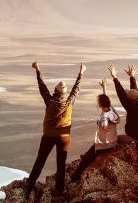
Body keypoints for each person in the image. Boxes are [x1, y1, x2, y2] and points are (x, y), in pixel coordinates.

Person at [25, 61, 85, 198]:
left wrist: (37, 70)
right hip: (64, 137)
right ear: (64, 92)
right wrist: (81, 73)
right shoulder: (69, 102)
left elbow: (42, 87)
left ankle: (30, 183)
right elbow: (76, 89)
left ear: (56, 91)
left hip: (48, 135)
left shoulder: (50, 101)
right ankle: (59, 191)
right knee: (61, 164)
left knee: (40, 160)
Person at [70, 77, 120, 182]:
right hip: (113, 141)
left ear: (100, 105)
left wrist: (100, 123)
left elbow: (104, 124)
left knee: (85, 159)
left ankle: (75, 177)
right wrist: (104, 87)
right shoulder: (112, 109)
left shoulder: (104, 116)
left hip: (105, 145)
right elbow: (106, 100)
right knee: (90, 152)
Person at [109, 63, 138, 148]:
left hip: (135, 138)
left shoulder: (132, 108)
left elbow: (122, 95)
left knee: (115, 140)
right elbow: (134, 91)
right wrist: (132, 77)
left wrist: (115, 78)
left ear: (131, 101)